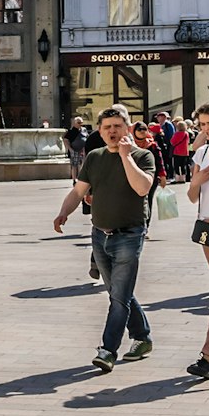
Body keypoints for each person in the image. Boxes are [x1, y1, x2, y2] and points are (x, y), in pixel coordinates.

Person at [53, 106, 156, 372]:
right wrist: (64, 212)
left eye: (118, 126)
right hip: (100, 234)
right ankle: (142, 337)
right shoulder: (95, 157)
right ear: (99, 131)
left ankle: (108, 350)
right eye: (107, 127)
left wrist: (126, 156)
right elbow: (78, 191)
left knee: (118, 298)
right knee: (118, 292)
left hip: (130, 235)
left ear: (128, 129)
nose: (112, 131)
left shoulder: (143, 156)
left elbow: (142, 187)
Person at [185, 101, 209, 378]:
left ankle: (208, 357)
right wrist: (196, 182)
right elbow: (193, 197)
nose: (206, 129)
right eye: (202, 124)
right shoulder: (202, 152)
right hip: (207, 226)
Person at [130, 121, 167, 232]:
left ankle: (145, 226)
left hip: (151, 178)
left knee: (148, 201)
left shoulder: (152, 145)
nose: (142, 131)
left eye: (144, 129)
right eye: (139, 129)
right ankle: (134, 225)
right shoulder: (130, 145)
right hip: (133, 177)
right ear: (134, 131)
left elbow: (159, 161)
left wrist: (163, 175)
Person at [65, 117, 88, 183]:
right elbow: (66, 140)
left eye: (81, 123)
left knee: (82, 164)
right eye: (79, 123)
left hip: (83, 150)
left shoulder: (84, 130)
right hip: (75, 150)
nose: (80, 124)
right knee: (74, 165)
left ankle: (80, 178)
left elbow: (86, 137)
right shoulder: (72, 131)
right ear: (75, 123)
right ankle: (74, 179)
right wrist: (70, 149)